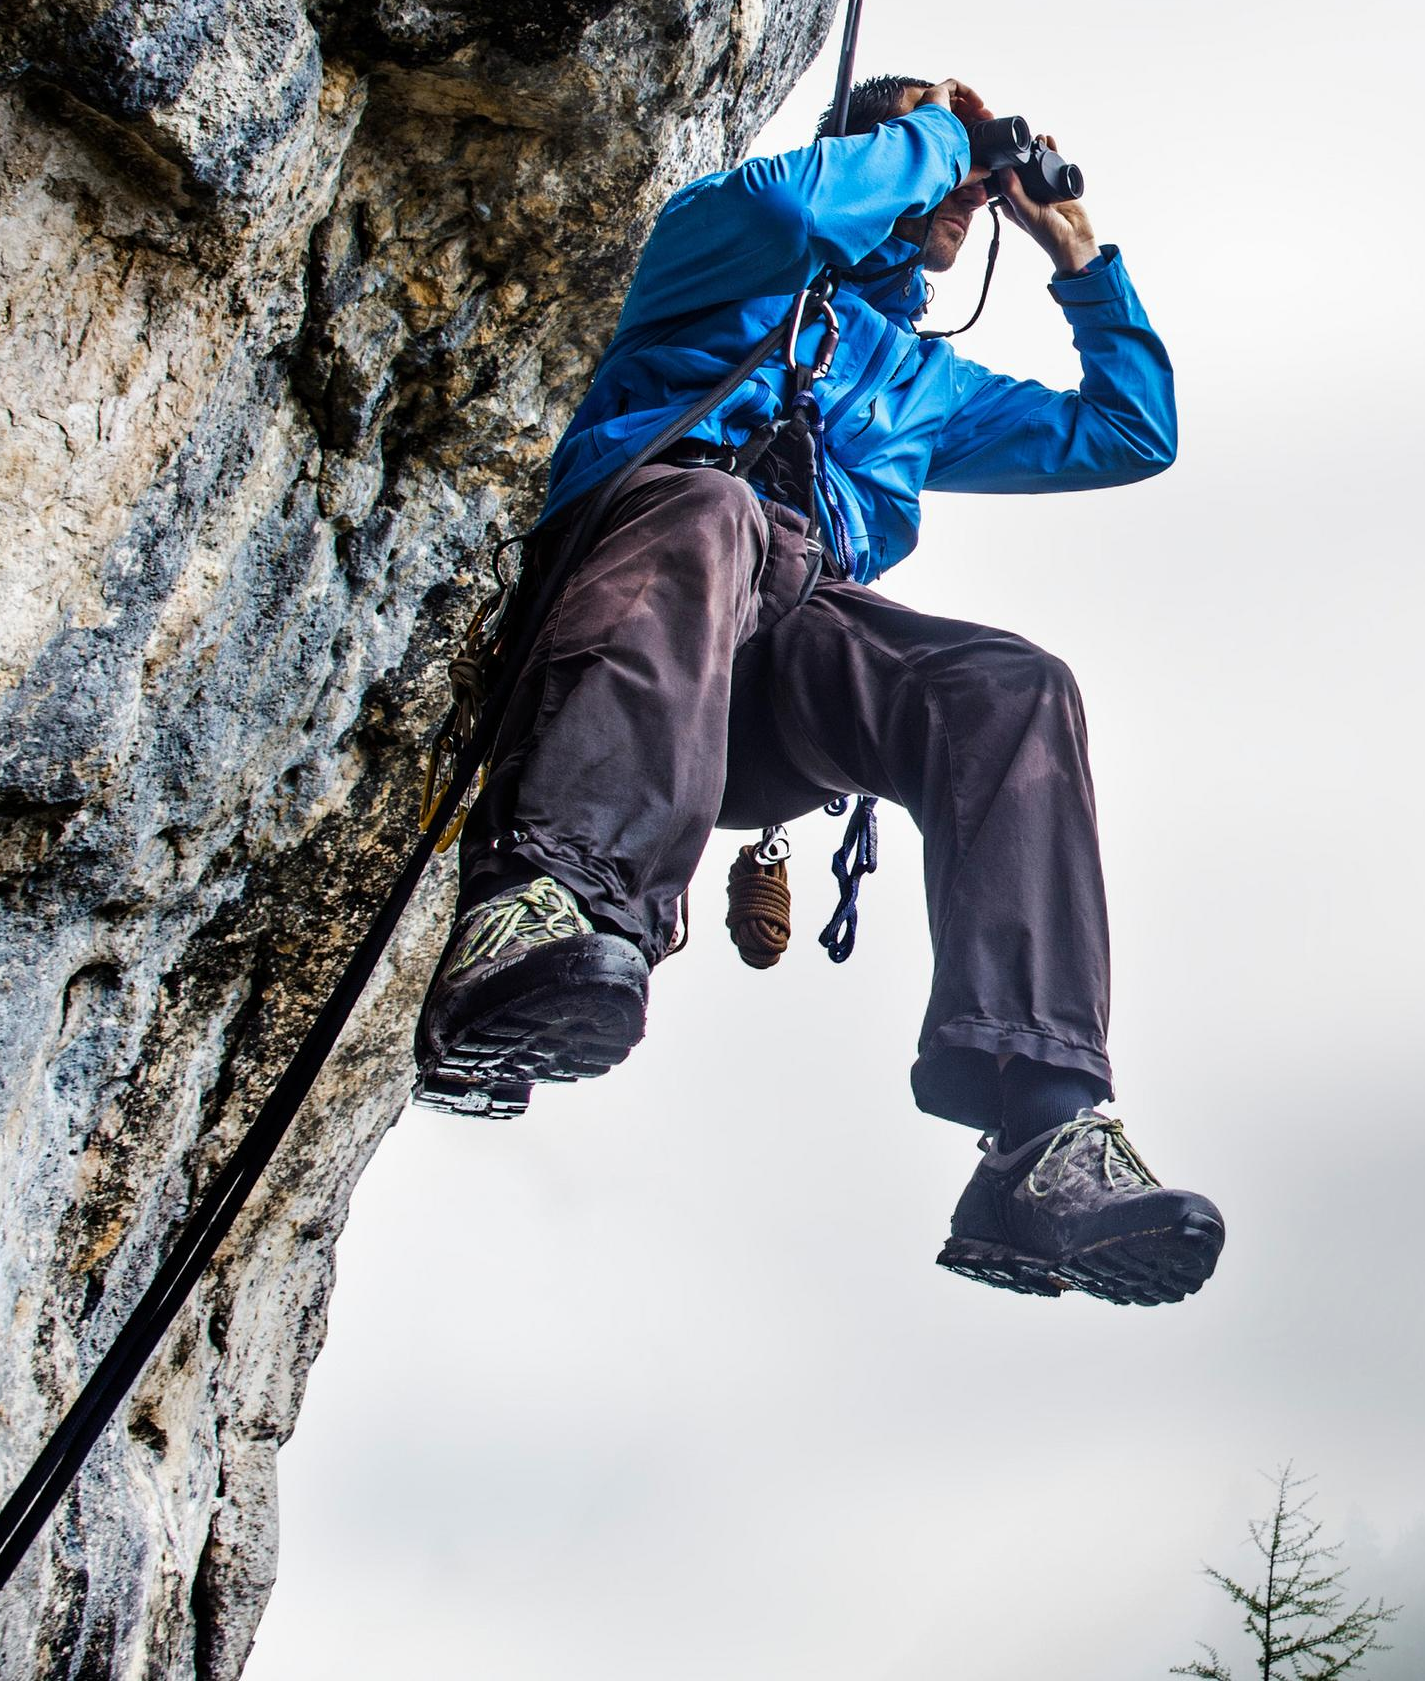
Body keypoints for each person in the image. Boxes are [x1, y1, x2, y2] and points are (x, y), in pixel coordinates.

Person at [407, 75, 1222, 1308]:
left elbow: (1128, 433)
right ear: (875, 153)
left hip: (771, 666)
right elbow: (793, 218)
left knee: (1011, 687)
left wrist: (1076, 253)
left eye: (969, 169)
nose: (964, 187)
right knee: (714, 507)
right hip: (628, 594)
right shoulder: (722, 247)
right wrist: (939, 132)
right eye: (938, 156)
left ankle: (1042, 1132)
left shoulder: (918, 381)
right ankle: (544, 909)